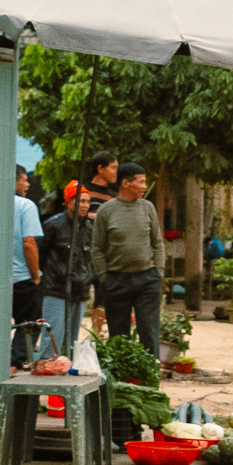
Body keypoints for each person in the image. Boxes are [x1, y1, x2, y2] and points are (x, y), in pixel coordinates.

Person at [92, 162, 165, 357]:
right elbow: (97, 248)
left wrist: (159, 272)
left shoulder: (148, 208)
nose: (144, 186)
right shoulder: (106, 211)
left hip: (147, 279)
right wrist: (103, 277)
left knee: (149, 331)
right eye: (140, 182)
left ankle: (151, 376)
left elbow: (158, 243)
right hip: (116, 281)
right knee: (118, 336)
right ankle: (120, 378)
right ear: (125, 183)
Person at [39, 182, 93, 359]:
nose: (84, 205)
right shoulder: (53, 225)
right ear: (69, 202)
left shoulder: (90, 228)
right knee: (52, 337)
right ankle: (45, 373)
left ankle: (66, 372)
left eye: (87, 201)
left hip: (80, 291)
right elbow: (41, 255)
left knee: (73, 341)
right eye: (80, 201)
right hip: (56, 289)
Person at [11, 166, 44, 370]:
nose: (28, 184)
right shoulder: (26, 205)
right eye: (24, 180)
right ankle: (15, 365)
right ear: (13, 181)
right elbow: (29, 243)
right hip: (22, 278)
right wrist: (36, 276)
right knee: (29, 326)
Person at [82, 151, 118, 334]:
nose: (115, 172)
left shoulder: (114, 198)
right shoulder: (83, 191)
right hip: (82, 251)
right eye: (113, 168)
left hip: (104, 254)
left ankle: (96, 334)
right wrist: (93, 216)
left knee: (103, 294)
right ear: (100, 169)